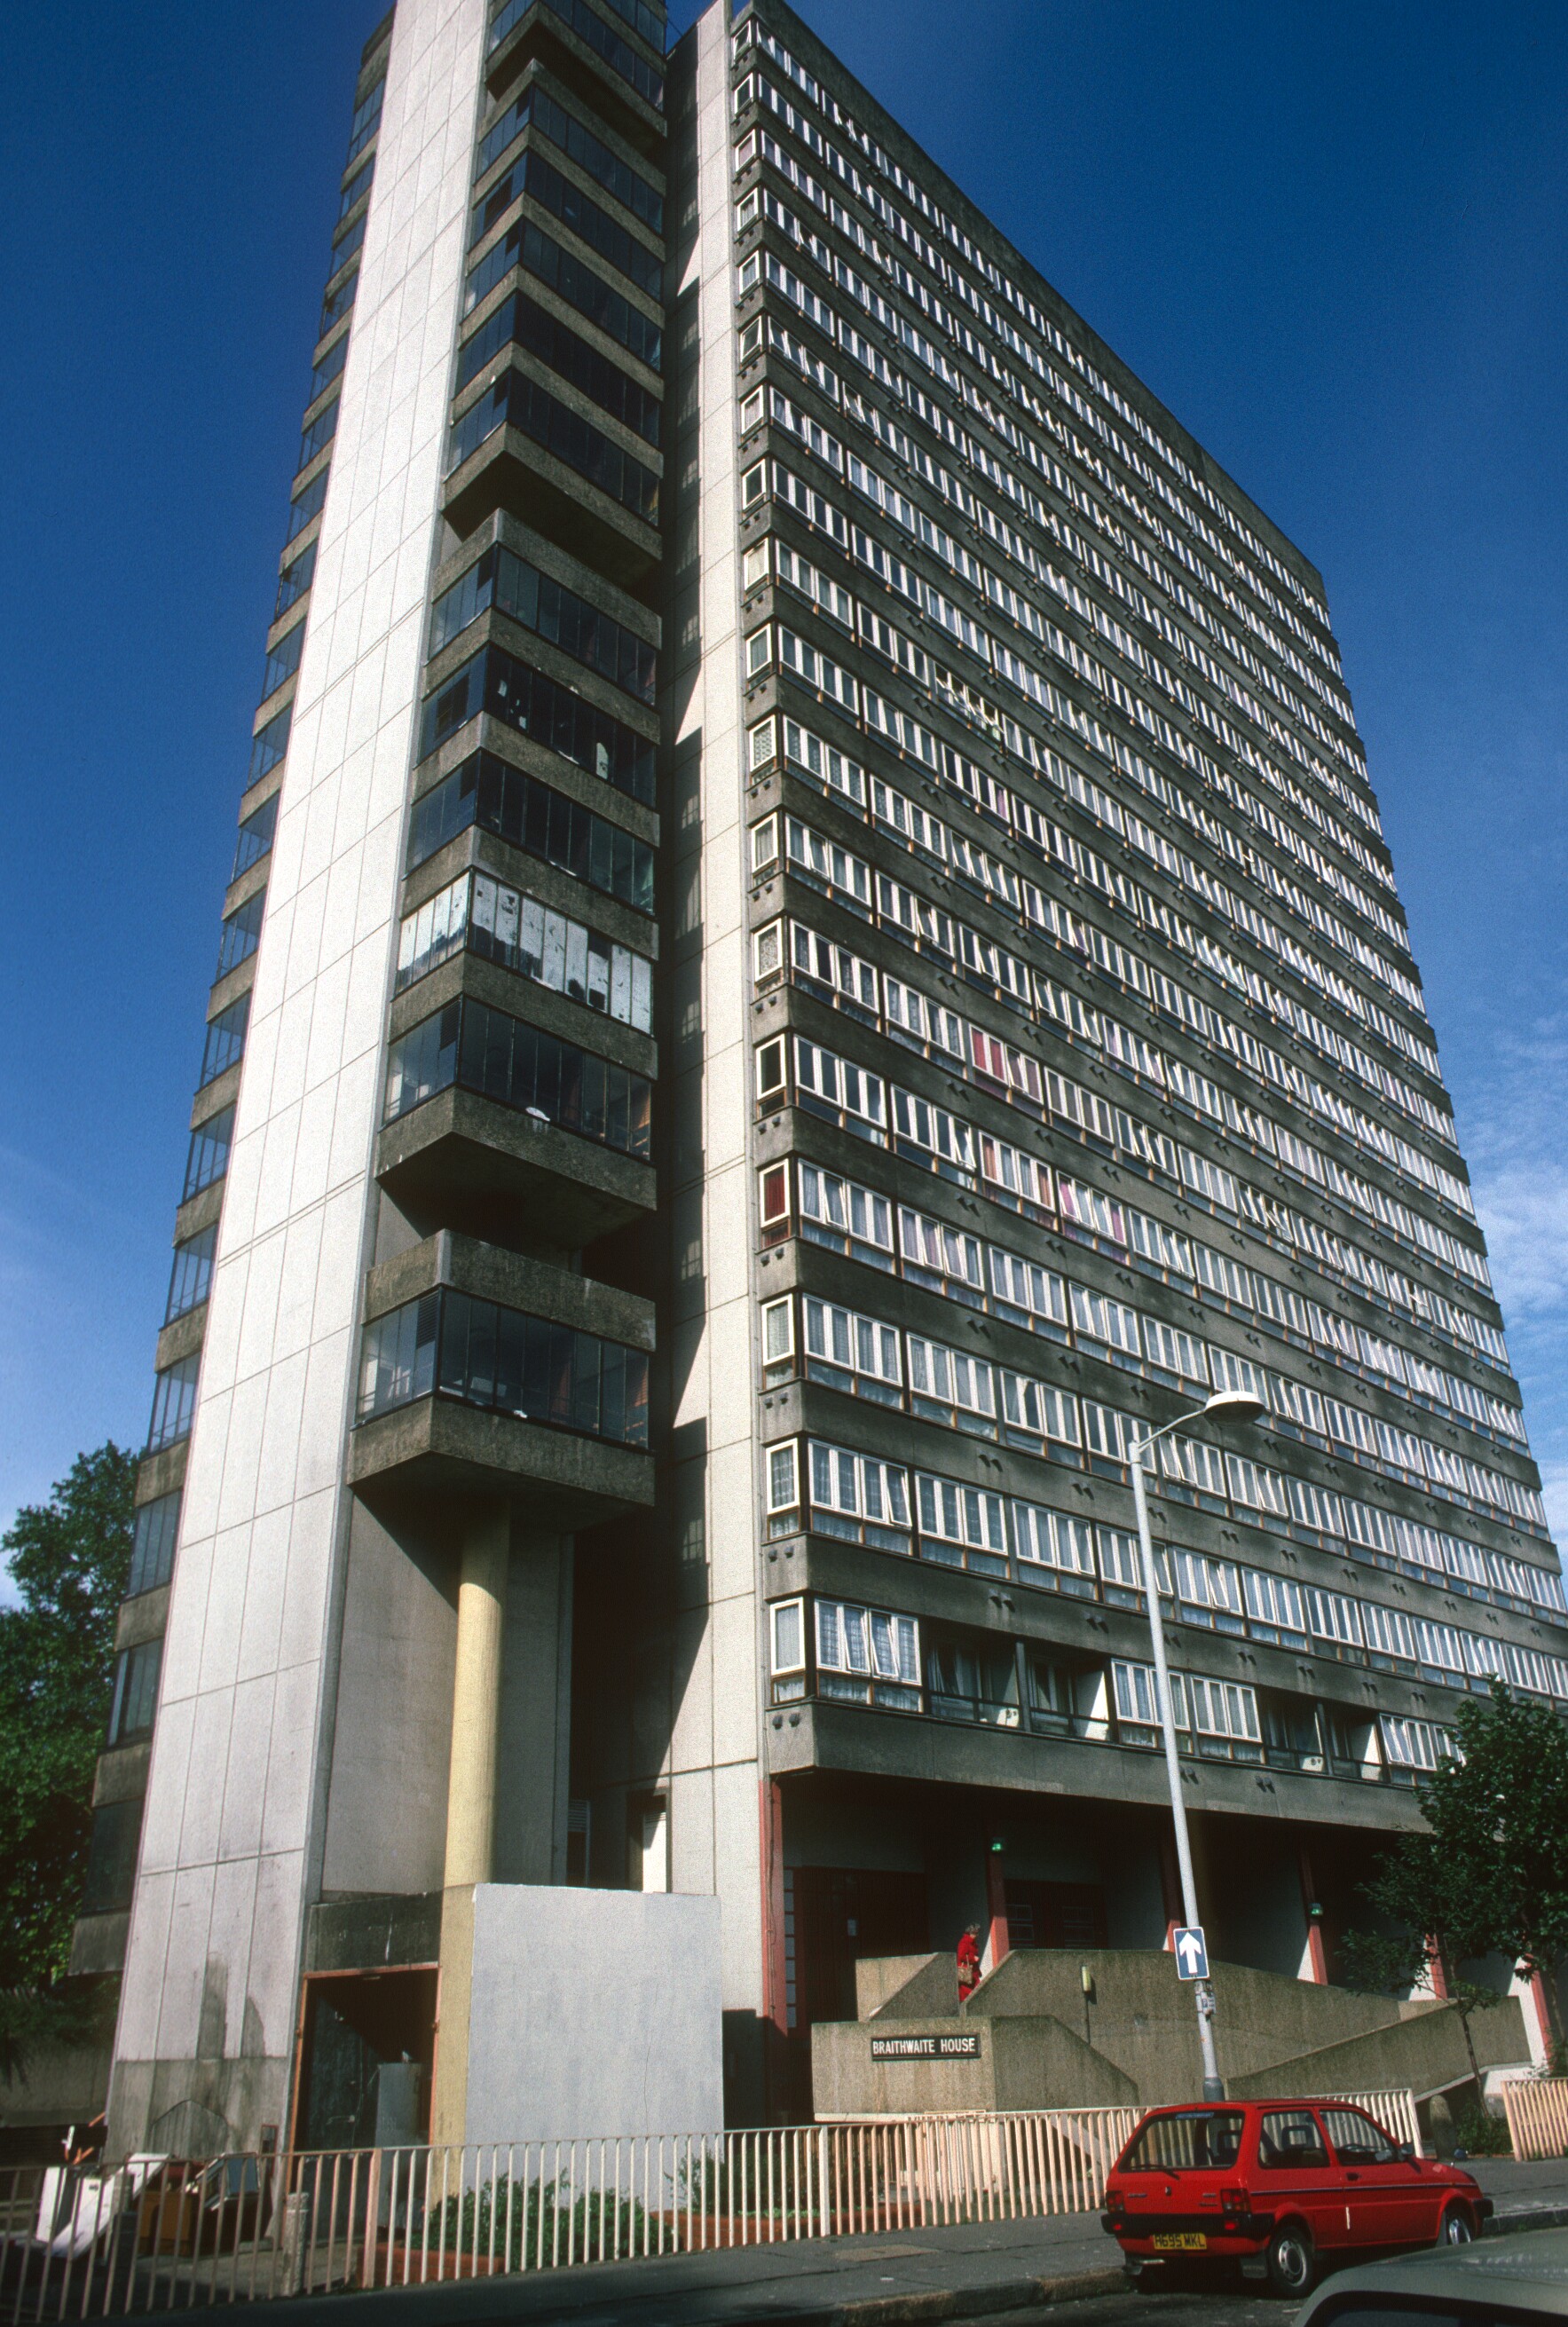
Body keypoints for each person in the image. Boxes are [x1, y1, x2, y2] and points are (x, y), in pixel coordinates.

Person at [957, 1922, 982, 2001]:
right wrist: (973, 1958)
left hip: (973, 1972)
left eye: (977, 1932)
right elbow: (961, 1956)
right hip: (966, 1973)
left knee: (976, 1992)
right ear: (970, 1932)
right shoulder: (964, 1942)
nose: (977, 1935)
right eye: (975, 1933)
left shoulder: (973, 1943)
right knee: (968, 1995)